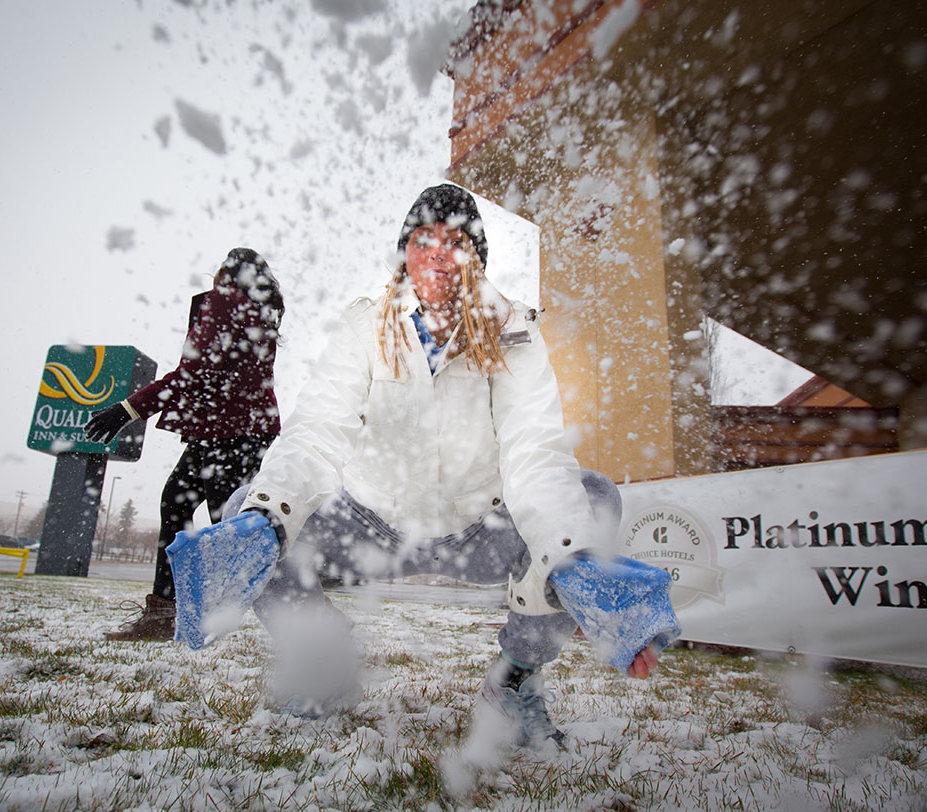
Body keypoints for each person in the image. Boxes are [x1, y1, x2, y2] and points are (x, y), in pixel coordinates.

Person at [197, 185, 672, 748]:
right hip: (369, 524)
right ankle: (325, 665)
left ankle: (515, 679)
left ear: (478, 257)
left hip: (479, 529)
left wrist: (576, 556)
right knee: (250, 510)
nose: (440, 255)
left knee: (591, 501)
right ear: (405, 252)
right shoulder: (365, 326)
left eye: (457, 242)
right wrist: (267, 514)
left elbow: (534, 450)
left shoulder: (513, 332)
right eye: (424, 241)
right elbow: (319, 429)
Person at [85, 248, 283, 641]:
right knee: (185, 508)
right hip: (232, 430)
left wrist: (127, 409)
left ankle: (295, 615)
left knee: (232, 528)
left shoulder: (224, 304)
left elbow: (192, 373)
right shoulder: (261, 312)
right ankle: (163, 613)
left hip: (227, 432)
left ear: (226, 274)